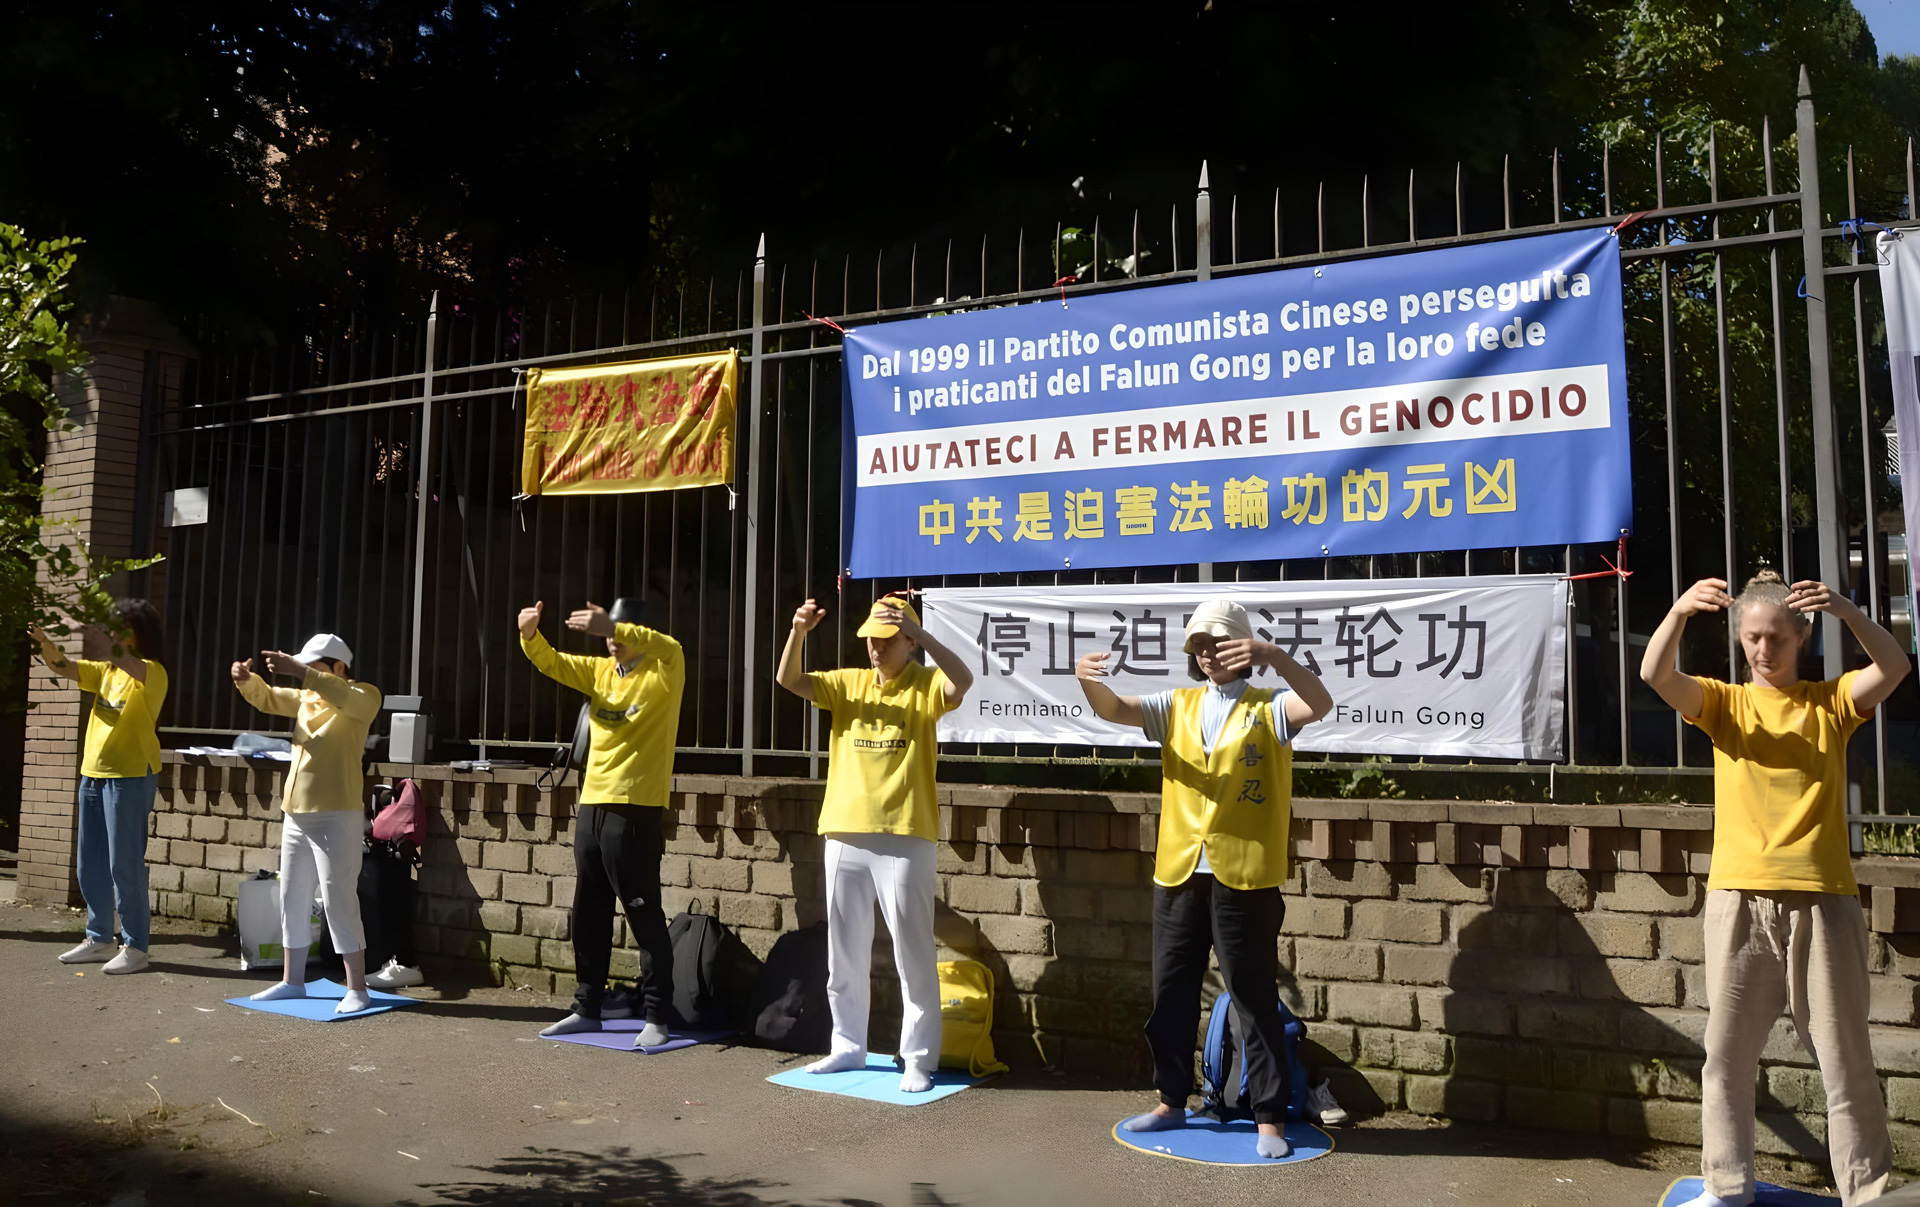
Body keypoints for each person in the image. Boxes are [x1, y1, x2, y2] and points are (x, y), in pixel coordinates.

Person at [1642, 571, 1910, 1207]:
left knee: (1844, 1063)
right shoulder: (1725, 705)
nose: (1764, 651)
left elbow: (1895, 665)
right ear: (1740, 639)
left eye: (1776, 639)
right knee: (1726, 1060)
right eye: (1753, 638)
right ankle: (1726, 1187)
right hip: (1738, 900)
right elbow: (1656, 673)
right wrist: (1679, 610)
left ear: (1801, 638)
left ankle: (1866, 1193)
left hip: (1824, 901)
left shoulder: (1832, 704)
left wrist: (1846, 608)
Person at [1075, 598, 1332, 1160]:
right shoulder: (1178, 705)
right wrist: (1085, 680)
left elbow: (1321, 702)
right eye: (1199, 644)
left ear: (1243, 646)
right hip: (1181, 868)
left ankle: (1268, 1115)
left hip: (1245, 873)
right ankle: (1171, 1098)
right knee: (1171, 989)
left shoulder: (1270, 708)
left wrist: (1274, 656)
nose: (1207, 652)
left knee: (1252, 994)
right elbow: (1115, 709)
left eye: (1218, 641)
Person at [775, 593, 972, 1093]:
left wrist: (924, 634)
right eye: (869, 639)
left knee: (912, 951)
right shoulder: (848, 683)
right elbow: (789, 680)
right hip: (844, 829)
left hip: (906, 832)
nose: (874, 649)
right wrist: (799, 631)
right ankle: (847, 1046)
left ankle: (919, 1058)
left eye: (886, 640)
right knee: (844, 951)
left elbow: (963, 682)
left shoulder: (925, 684)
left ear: (908, 641)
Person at [518, 597, 685, 1047]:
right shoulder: (601, 671)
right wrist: (530, 634)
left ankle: (657, 1016)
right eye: (607, 633)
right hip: (592, 805)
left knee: (642, 912)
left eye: (619, 632)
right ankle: (587, 1006)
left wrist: (612, 624)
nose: (611, 641)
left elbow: (669, 645)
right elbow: (552, 663)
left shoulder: (665, 668)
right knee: (588, 911)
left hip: (636, 809)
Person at [231, 633, 383, 1014]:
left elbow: (348, 698)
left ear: (338, 667)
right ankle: (291, 981)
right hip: (296, 811)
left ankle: (357, 989)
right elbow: (267, 697)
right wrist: (244, 679)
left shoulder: (363, 696)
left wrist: (299, 670)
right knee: (292, 896)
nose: (304, 676)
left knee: (338, 900)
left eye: (313, 667)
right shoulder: (306, 699)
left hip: (338, 814)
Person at [30, 600, 170, 975]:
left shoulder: (151, 672)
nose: (113, 634)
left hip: (130, 775)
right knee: (89, 863)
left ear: (139, 632)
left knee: (123, 864)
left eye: (121, 627)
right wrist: (44, 643)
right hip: (93, 774)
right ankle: (99, 938)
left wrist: (104, 637)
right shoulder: (107, 670)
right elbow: (66, 668)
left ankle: (136, 946)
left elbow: (127, 660)